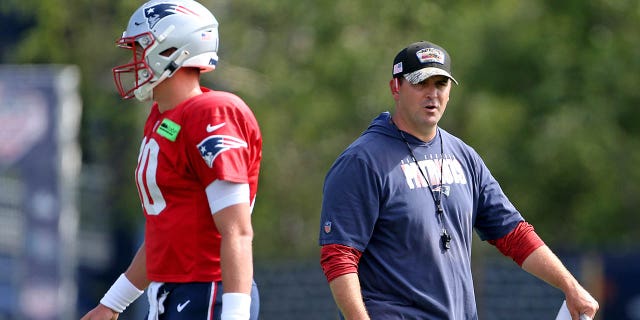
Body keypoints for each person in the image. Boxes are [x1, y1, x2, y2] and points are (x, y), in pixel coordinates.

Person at [318, 40, 599, 319]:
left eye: (440, 84)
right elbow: (339, 256)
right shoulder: (362, 161)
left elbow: (513, 233)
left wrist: (570, 286)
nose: (433, 94)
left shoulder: (463, 156)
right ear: (396, 87)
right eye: (421, 83)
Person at [81, 1, 261, 319]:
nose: (133, 61)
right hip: (171, 291)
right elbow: (166, 237)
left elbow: (236, 230)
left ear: (171, 50)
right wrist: (111, 305)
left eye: (139, 49)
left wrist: (235, 314)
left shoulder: (211, 113)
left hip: (210, 290)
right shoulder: (161, 119)